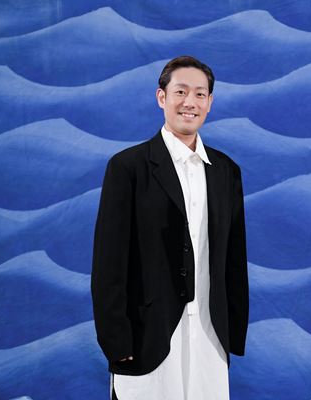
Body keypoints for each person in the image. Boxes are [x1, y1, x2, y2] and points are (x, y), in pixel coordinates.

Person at [91, 55, 248, 400]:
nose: (190, 102)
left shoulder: (226, 171)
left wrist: (233, 331)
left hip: (209, 334)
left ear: (210, 102)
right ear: (161, 97)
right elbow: (108, 264)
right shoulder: (128, 167)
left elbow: (234, 259)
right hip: (147, 335)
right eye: (181, 91)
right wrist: (116, 340)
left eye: (200, 94)